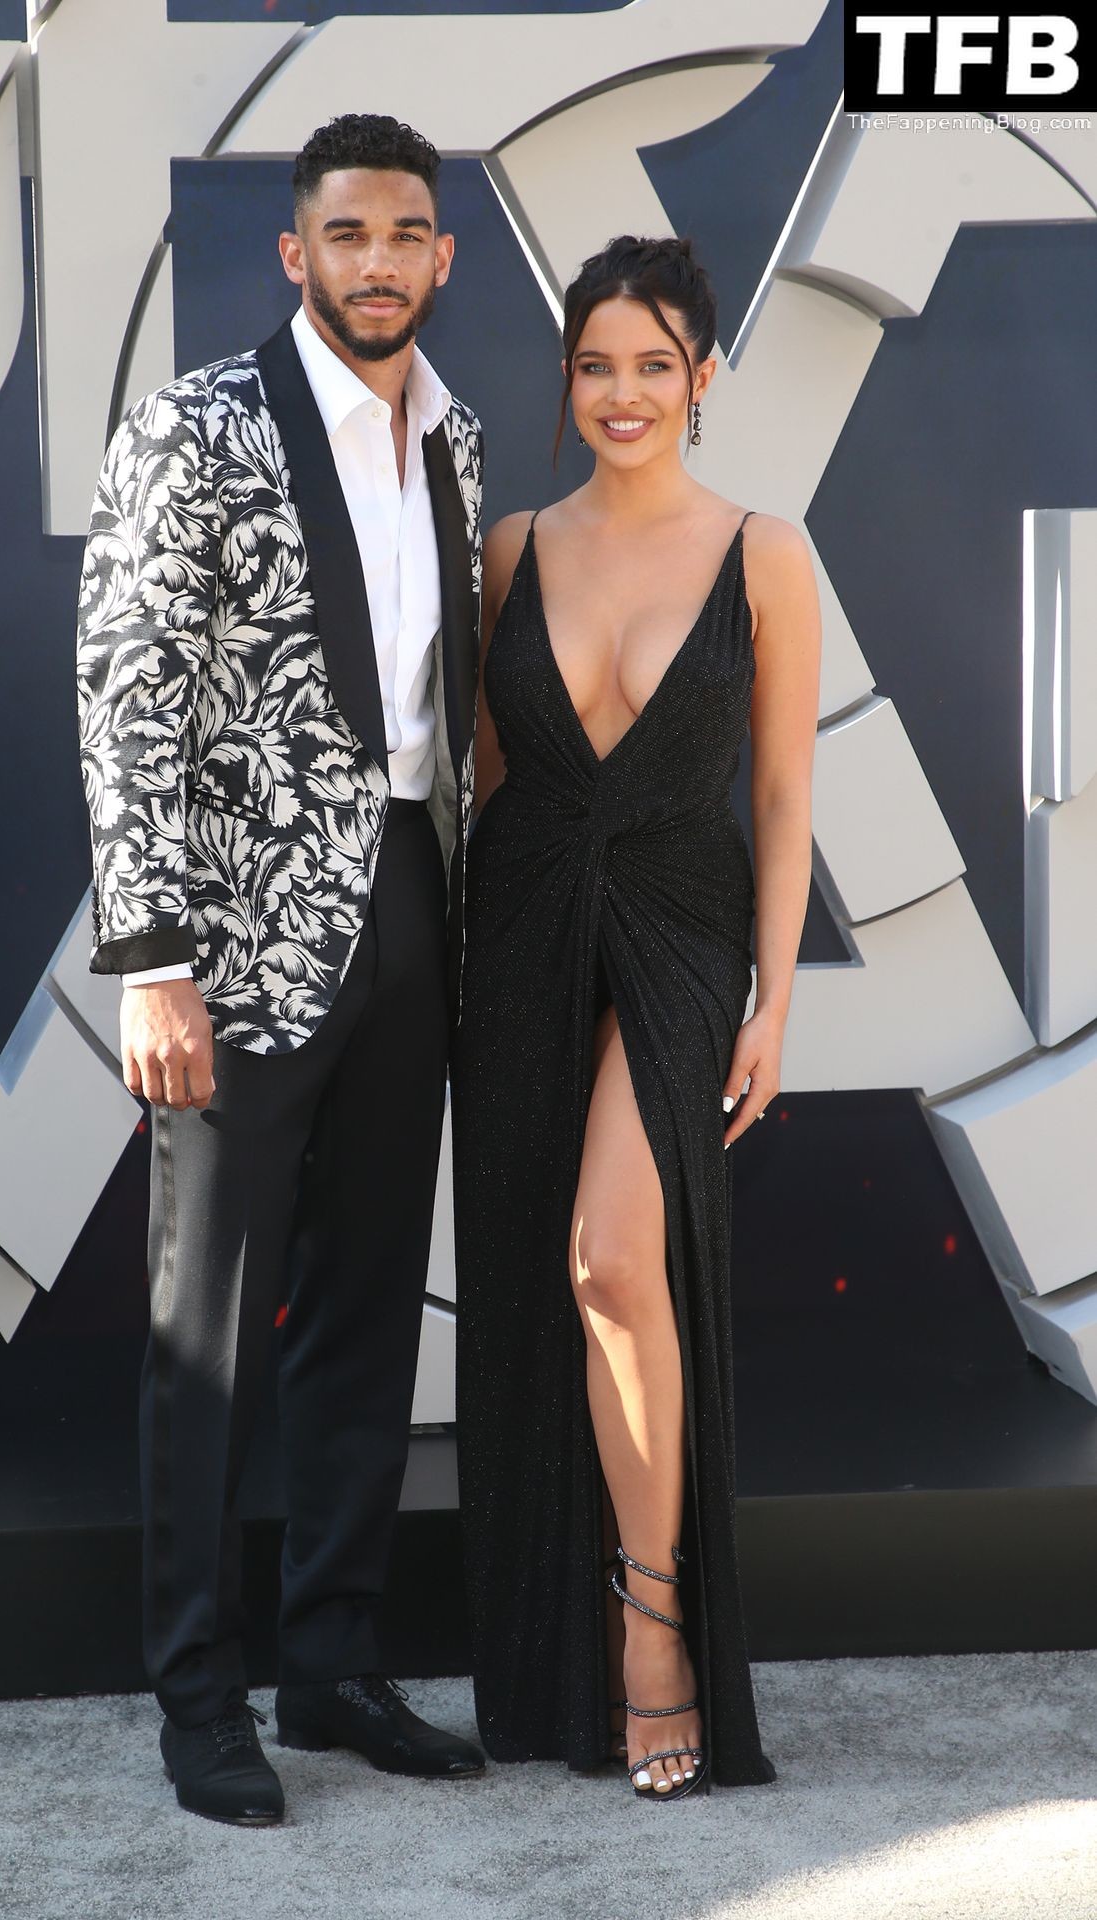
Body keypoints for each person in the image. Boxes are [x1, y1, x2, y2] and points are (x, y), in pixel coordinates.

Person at [75, 113, 486, 1827]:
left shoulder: (453, 433)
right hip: (232, 947)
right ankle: (200, 1699)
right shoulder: (198, 424)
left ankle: (328, 1663)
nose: (376, 262)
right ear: (292, 252)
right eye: (346, 233)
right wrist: (152, 959)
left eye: (404, 235)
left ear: (440, 257)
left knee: (368, 1307)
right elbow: (127, 687)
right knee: (208, 1341)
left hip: (413, 904)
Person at [451, 234, 821, 1800]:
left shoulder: (763, 551)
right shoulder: (512, 546)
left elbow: (783, 798)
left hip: (679, 932)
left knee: (613, 1259)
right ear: (567, 375)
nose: (621, 393)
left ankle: (652, 1630)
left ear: (702, 375)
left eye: (652, 365)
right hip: (522, 928)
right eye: (595, 365)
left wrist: (772, 999)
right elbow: (486, 776)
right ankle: (551, 1660)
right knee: (538, 1291)